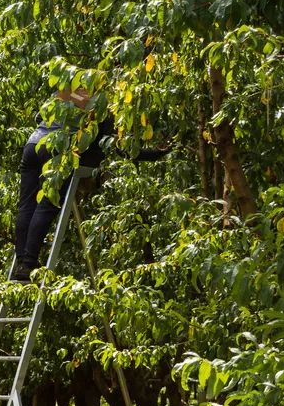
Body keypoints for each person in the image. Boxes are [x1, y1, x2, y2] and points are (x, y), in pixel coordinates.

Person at [12, 87, 170, 282]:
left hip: (33, 144)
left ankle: (21, 262)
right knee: (46, 206)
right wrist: (155, 153)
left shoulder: (67, 90)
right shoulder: (99, 103)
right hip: (58, 150)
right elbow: (117, 147)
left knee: (27, 205)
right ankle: (27, 263)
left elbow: (39, 117)